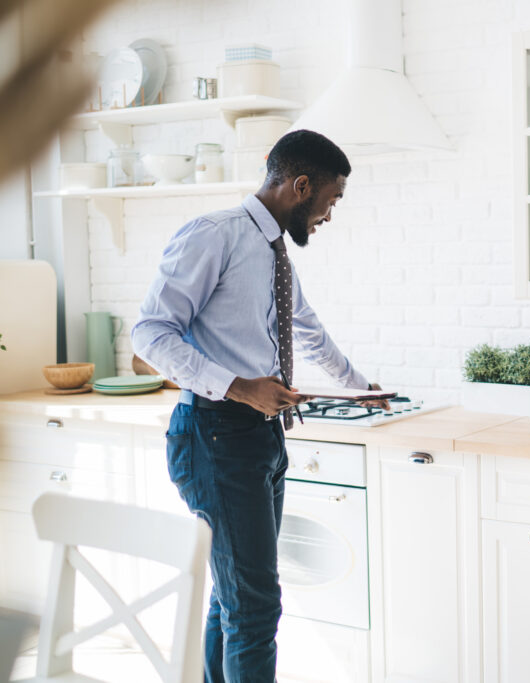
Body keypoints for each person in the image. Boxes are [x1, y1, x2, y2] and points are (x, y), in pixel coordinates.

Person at [132, 129, 380, 683]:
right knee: (255, 606)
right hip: (215, 434)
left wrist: (364, 388)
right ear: (300, 185)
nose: (328, 216)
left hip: (261, 437)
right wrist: (242, 386)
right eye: (330, 201)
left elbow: (307, 329)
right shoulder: (213, 236)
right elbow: (150, 334)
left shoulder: (273, 253)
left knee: (235, 595)